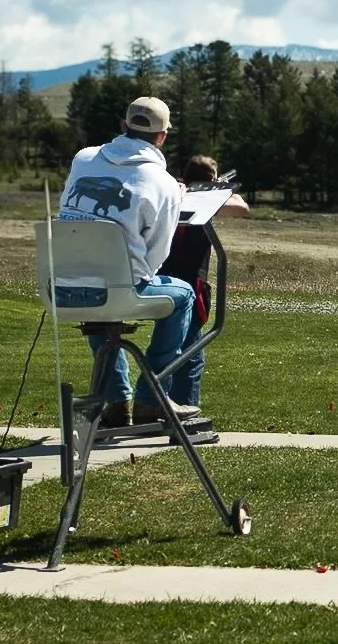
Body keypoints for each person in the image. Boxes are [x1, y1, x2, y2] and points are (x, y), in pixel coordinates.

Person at [58, 96, 199, 427]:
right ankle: (152, 399)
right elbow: (157, 255)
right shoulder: (161, 181)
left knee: (95, 287)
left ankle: (116, 401)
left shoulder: (83, 158)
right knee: (182, 296)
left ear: (123, 126)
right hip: (118, 290)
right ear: (163, 136)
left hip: (64, 286)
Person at [158, 154, 249, 408]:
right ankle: (184, 412)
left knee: (169, 349)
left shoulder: (173, 193)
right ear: (210, 178)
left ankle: (162, 407)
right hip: (191, 284)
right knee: (190, 355)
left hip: (164, 280)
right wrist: (216, 190)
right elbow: (241, 206)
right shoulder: (198, 198)